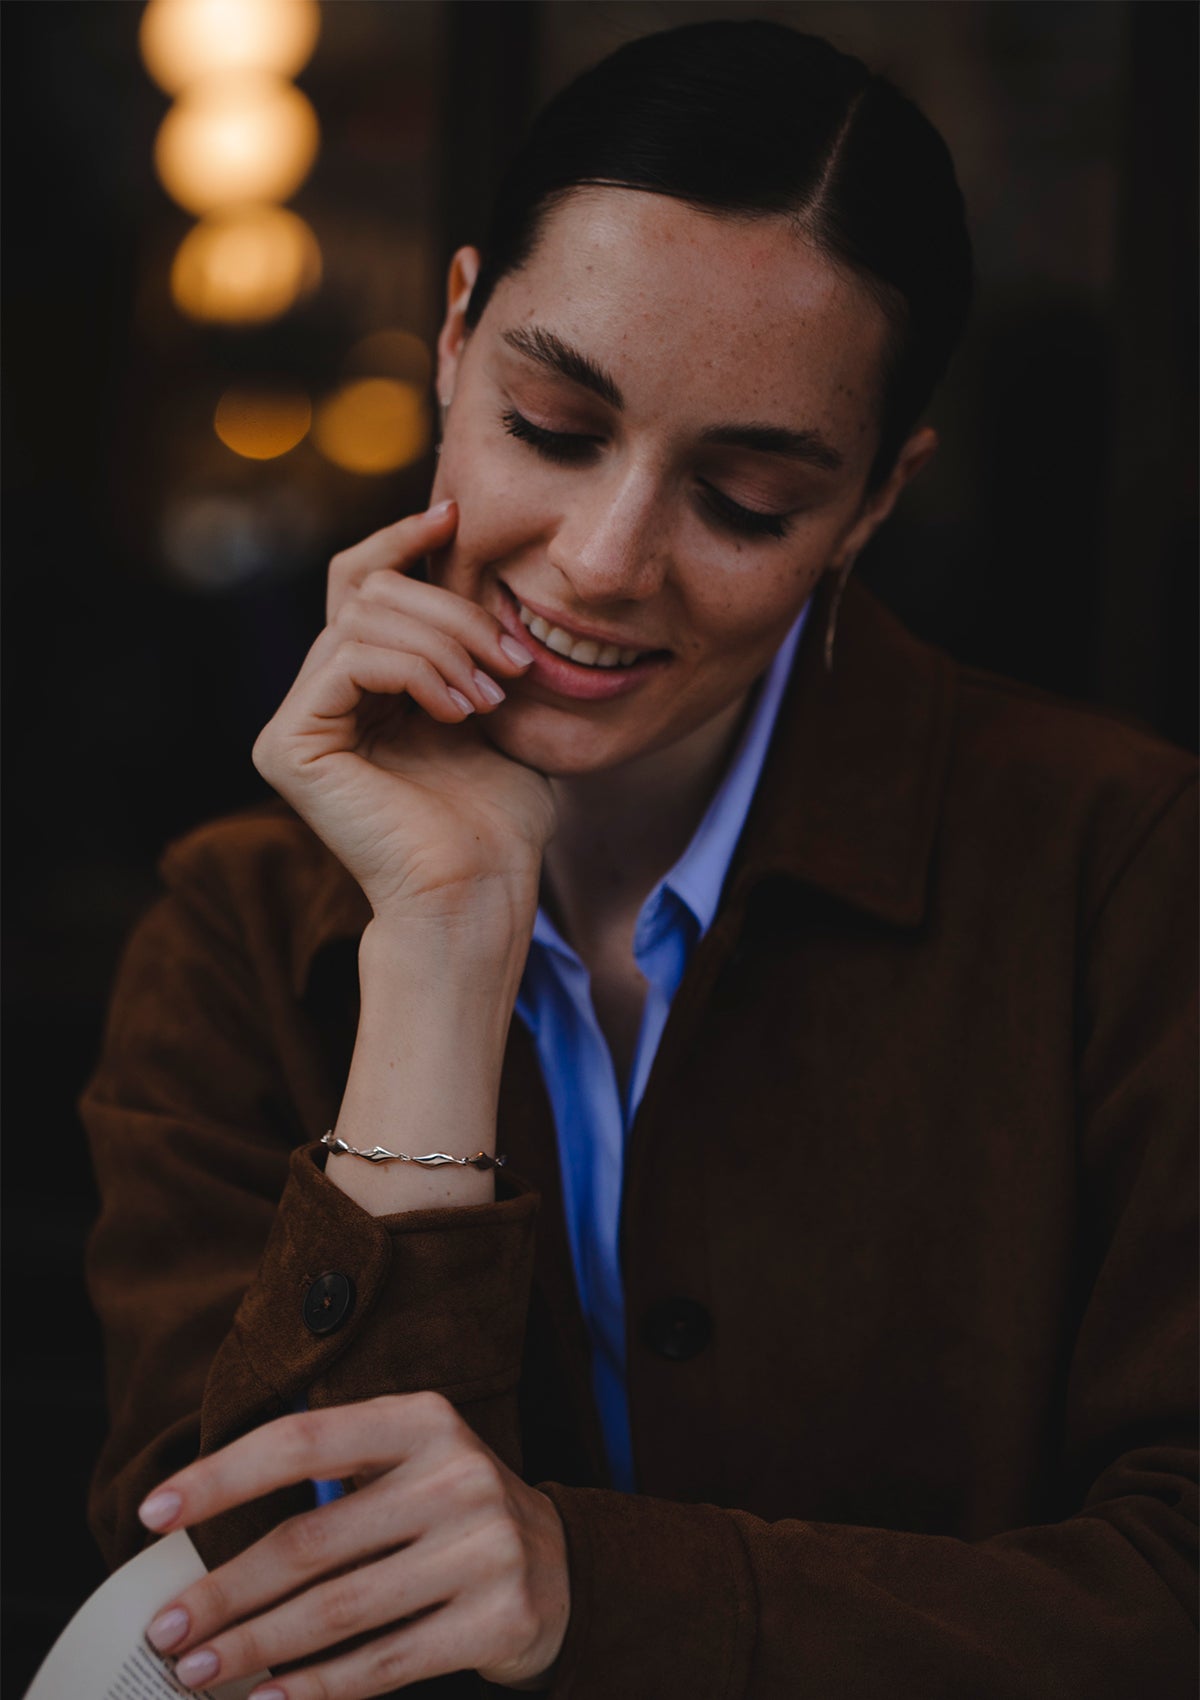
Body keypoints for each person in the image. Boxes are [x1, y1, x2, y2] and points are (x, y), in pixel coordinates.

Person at [81, 20, 1196, 1700]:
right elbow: (238, 1609)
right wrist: (444, 949)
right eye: (550, 422)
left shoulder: (1124, 875)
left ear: (878, 502)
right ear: (453, 336)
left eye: (746, 501)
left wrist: (599, 1593)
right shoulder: (234, 929)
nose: (604, 564)